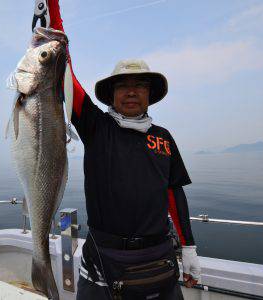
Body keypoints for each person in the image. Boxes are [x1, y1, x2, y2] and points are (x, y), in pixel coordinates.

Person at [68, 59, 201, 300]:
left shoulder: (163, 138)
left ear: (149, 94)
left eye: (140, 84)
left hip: (159, 258)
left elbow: (174, 192)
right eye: (122, 85)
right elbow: (67, 80)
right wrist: (54, 29)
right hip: (103, 259)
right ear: (111, 95)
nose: (131, 91)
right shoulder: (96, 126)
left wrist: (189, 246)